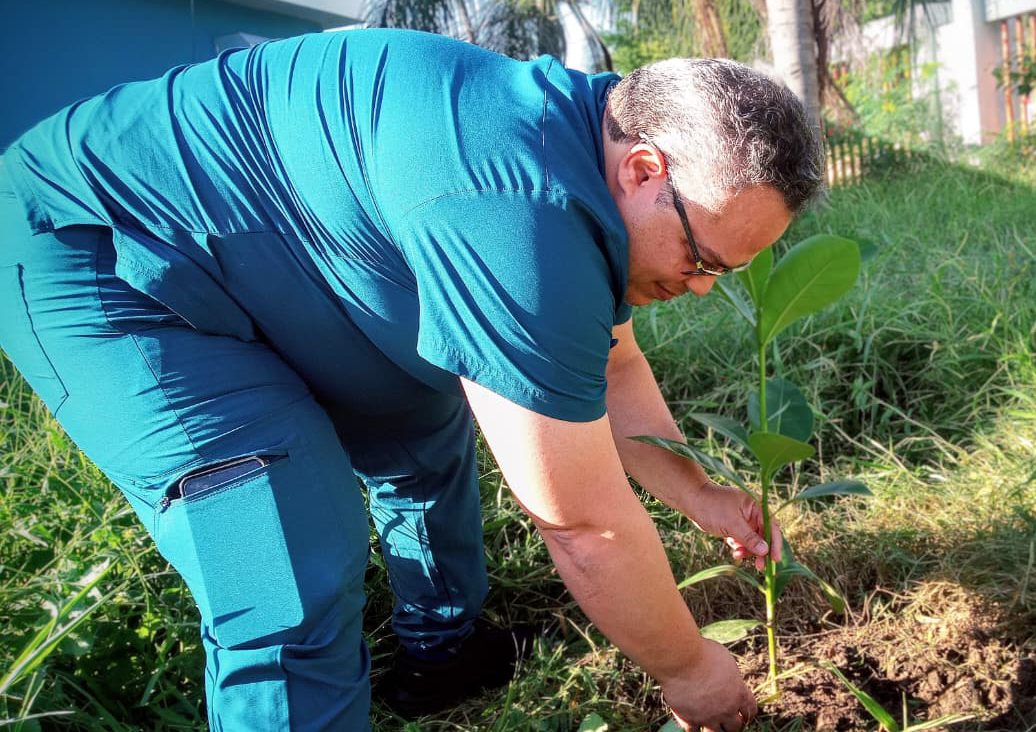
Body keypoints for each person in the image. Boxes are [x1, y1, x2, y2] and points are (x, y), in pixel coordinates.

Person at [0, 27, 822, 732]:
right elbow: (584, 526)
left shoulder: (583, 149)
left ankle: (442, 656)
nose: (703, 288)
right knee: (284, 551)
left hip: (281, 251)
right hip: (104, 254)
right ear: (644, 170)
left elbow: (614, 365)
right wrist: (689, 670)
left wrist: (701, 493)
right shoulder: (515, 210)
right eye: (704, 259)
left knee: (418, 416)